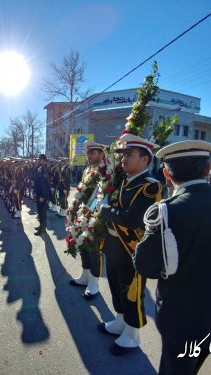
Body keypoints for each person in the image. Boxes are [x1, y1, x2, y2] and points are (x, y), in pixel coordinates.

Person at [134, 140, 211, 375]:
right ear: (208, 169)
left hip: (180, 321)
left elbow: (145, 265)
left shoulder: (167, 211)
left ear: (166, 173)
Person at [97, 133, 163, 356]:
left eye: (129, 155)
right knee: (116, 286)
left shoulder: (150, 188)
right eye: (123, 155)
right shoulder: (125, 182)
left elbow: (131, 219)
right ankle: (119, 321)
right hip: (114, 245)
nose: (123, 159)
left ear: (145, 160)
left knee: (131, 291)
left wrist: (104, 209)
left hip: (132, 249)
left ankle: (133, 334)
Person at [69, 142, 107, 300]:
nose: (89, 155)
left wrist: (89, 212)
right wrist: (74, 208)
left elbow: (101, 195)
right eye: (88, 152)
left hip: (95, 215)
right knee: (83, 246)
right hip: (83, 213)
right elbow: (81, 190)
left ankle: (94, 284)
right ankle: (85, 276)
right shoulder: (87, 170)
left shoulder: (104, 171)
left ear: (101, 154)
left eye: (92, 152)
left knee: (94, 250)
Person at [33, 154, 50, 236]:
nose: (39, 160)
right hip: (38, 193)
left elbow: (44, 184)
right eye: (39, 159)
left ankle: (43, 229)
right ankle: (41, 226)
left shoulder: (45, 170)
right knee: (40, 212)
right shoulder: (40, 168)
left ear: (44, 161)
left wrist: (42, 196)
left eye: (41, 159)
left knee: (42, 212)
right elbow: (37, 180)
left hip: (42, 195)